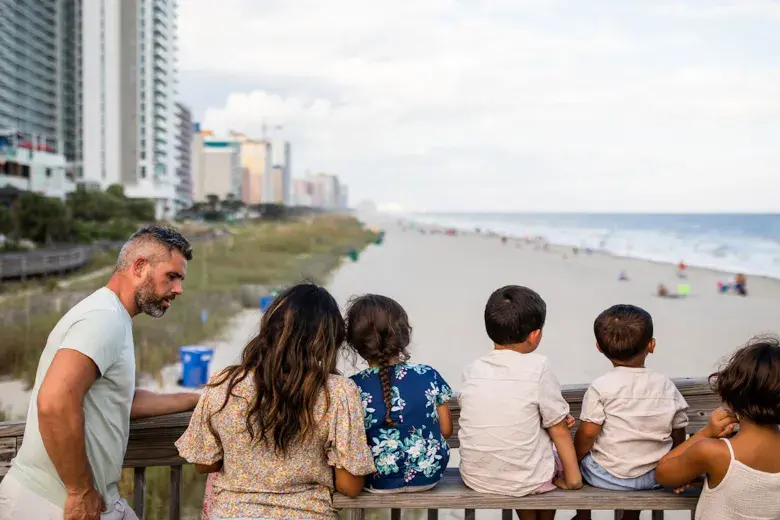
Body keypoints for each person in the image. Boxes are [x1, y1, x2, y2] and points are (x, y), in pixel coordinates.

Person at [0, 225, 201, 520]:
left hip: (92, 499)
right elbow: (54, 402)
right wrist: (79, 491)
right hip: (52, 504)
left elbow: (119, 400)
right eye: (172, 276)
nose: (178, 289)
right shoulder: (103, 319)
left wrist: (193, 399)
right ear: (140, 267)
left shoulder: (113, 316)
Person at [176, 283, 376, 520]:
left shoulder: (225, 384)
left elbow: (203, 463)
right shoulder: (338, 392)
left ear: (269, 328)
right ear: (327, 341)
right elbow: (350, 485)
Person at [458, 285, 581, 520]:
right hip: (523, 477)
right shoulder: (539, 367)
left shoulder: (473, 369)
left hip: (477, 476)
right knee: (545, 456)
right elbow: (558, 428)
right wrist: (573, 479)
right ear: (535, 336)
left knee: (523, 453)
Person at [573, 305, 689, 520]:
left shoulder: (601, 386)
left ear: (599, 347)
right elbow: (679, 430)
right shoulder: (665, 385)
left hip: (606, 476)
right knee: (644, 457)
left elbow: (588, 434)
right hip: (655, 477)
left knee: (576, 459)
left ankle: (583, 514)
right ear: (651, 345)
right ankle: (631, 515)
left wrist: (574, 459)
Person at [656, 336, 780, 519]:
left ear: (733, 394)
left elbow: (662, 473)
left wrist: (706, 433)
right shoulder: (714, 456)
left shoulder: (712, 453)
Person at [346, 294, 453, 493]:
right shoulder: (428, 375)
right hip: (429, 476)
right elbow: (446, 430)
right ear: (404, 336)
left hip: (376, 482)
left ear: (355, 344)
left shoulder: (352, 387)